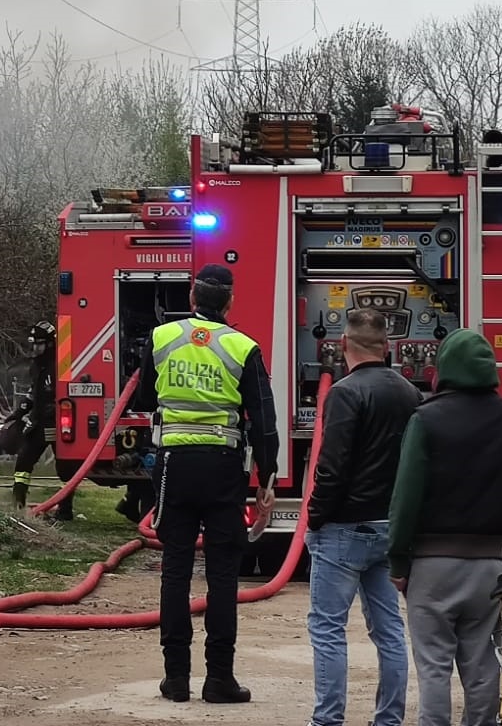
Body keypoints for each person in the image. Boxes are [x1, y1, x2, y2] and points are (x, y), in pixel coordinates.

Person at [133, 263, 279, 705]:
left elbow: (143, 400)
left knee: (175, 573)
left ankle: (175, 678)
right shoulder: (243, 347)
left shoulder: (163, 338)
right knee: (222, 577)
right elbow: (264, 423)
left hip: (174, 465)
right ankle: (220, 679)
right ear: (229, 302)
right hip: (223, 469)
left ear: (192, 299)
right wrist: (266, 478)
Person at [387, 328, 502, 726]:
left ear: (443, 368)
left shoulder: (426, 419)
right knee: (482, 666)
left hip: (433, 568)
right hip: (489, 567)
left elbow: (406, 495)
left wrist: (398, 562)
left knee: (434, 668)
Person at [303, 308, 422, 726]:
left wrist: (315, 518)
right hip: (390, 529)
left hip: (343, 530)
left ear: (342, 346)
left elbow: (332, 466)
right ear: (387, 348)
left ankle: (328, 720)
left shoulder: (344, 393)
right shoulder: (410, 394)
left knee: (328, 629)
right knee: (389, 630)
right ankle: (388, 720)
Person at [1, 321, 74, 520]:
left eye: (39, 344)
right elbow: (35, 392)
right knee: (24, 461)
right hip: (40, 422)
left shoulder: (61, 365)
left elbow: (63, 394)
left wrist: (45, 416)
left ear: (50, 344)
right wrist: (20, 412)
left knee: (66, 468)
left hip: (56, 424)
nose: (35, 349)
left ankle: (65, 510)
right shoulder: (37, 366)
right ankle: (18, 505)